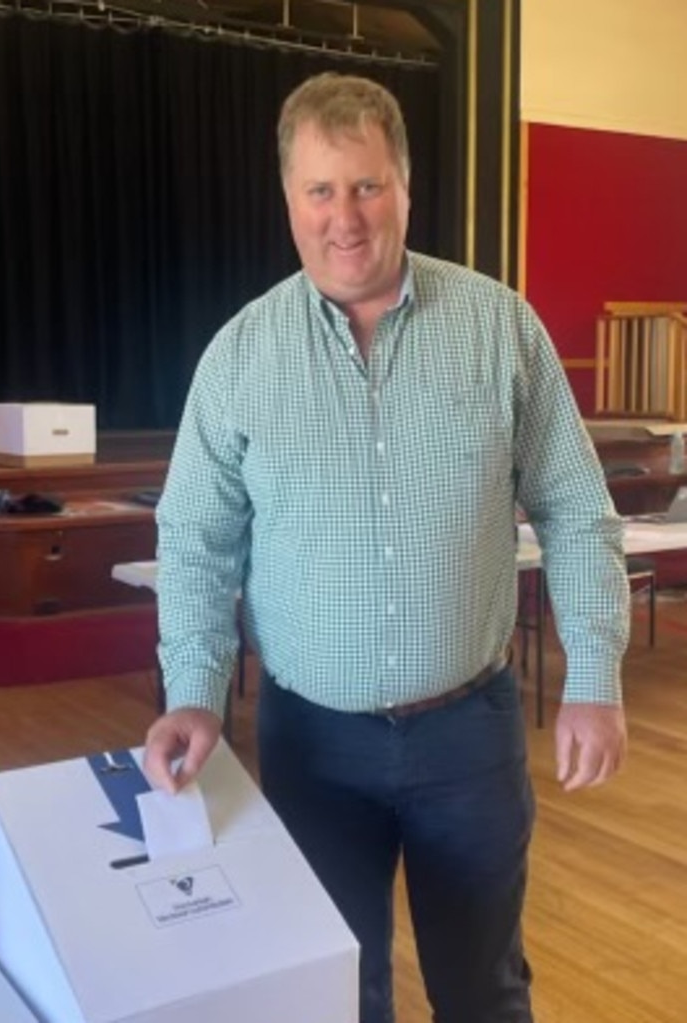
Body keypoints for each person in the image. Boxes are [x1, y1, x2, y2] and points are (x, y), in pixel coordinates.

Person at [144, 72, 630, 1023]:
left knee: (485, 988)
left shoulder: (502, 330)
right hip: (311, 741)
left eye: (367, 186)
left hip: (470, 734)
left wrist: (595, 677)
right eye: (321, 191)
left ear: (406, 187)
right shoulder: (239, 355)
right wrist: (194, 690)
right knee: (335, 991)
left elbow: (577, 508)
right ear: (288, 198)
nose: (346, 218)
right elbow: (197, 541)